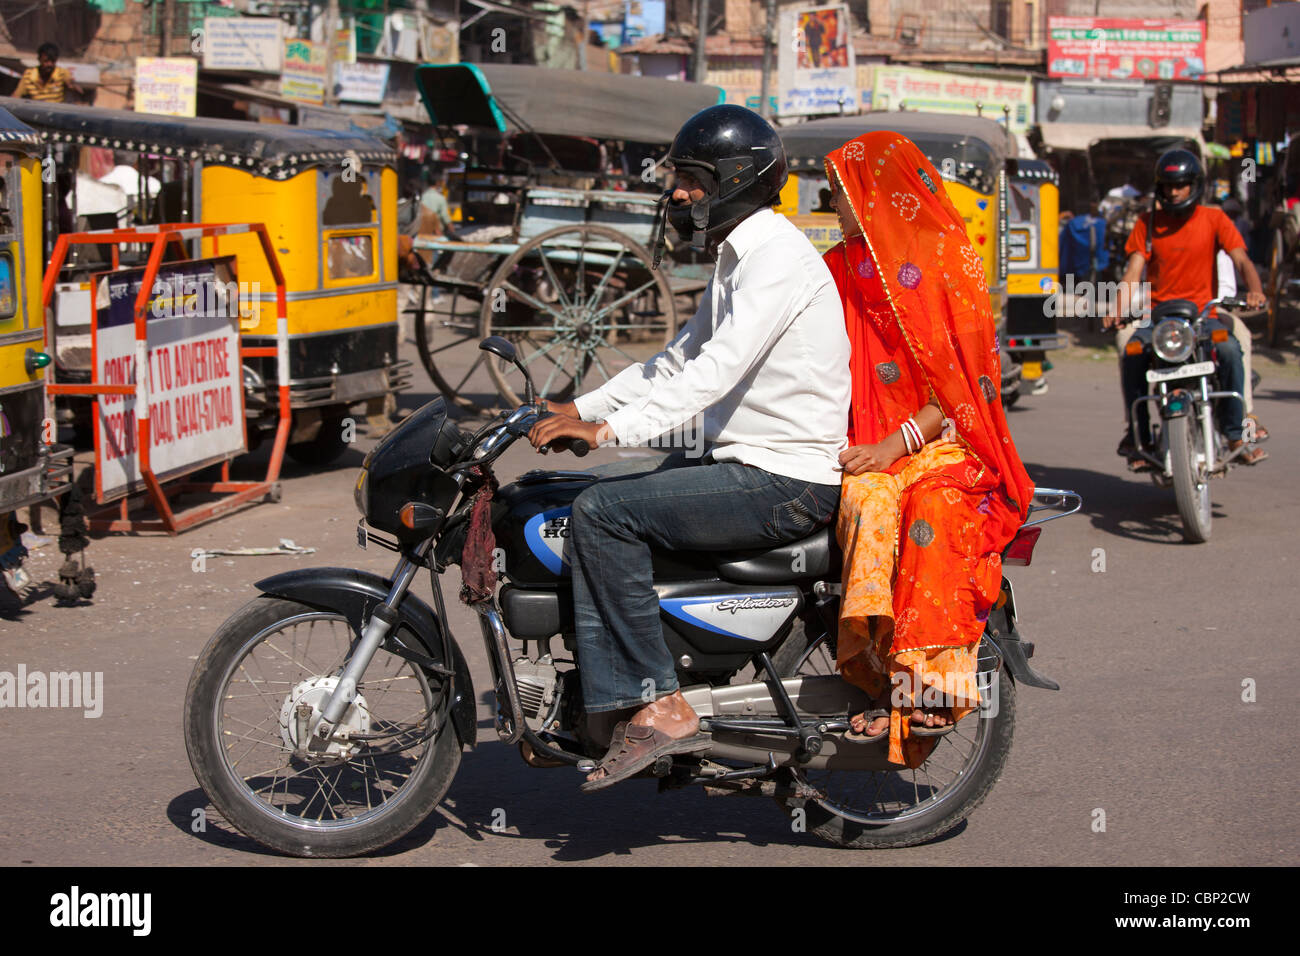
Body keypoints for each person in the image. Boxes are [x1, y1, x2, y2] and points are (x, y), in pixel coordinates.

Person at [528, 105, 851, 792]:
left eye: (691, 179)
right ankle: (636, 680)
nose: (677, 193)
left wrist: (610, 434)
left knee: (604, 513)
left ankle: (659, 704)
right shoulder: (743, 256)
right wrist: (577, 408)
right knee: (564, 498)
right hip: (746, 463)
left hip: (783, 478)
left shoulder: (777, 259)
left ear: (734, 179)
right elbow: (674, 363)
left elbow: (714, 373)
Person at [820, 131, 1033, 768]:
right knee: (868, 504)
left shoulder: (943, 263)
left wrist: (895, 442)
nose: (835, 206)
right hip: (865, 447)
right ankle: (884, 681)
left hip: (944, 439)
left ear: (875, 191)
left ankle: (931, 683)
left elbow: (965, 389)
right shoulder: (835, 268)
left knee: (933, 510)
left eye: (840, 192)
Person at [1104, 149, 1267, 466]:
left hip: (1205, 315)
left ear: (1195, 185)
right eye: (1168, 186)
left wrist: (1256, 290)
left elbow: (1241, 260)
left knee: (1231, 351)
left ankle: (1236, 432)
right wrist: (1116, 310)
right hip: (1159, 317)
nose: (1174, 192)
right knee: (1132, 353)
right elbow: (1133, 272)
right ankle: (1138, 436)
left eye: (1181, 185)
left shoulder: (1215, 218)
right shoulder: (1146, 223)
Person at [13, 43, 82, 103]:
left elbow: (72, 84)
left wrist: (73, 86)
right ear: (39, 59)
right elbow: (16, 96)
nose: (49, 64)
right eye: (46, 61)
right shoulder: (29, 74)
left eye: (53, 61)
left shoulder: (62, 73)